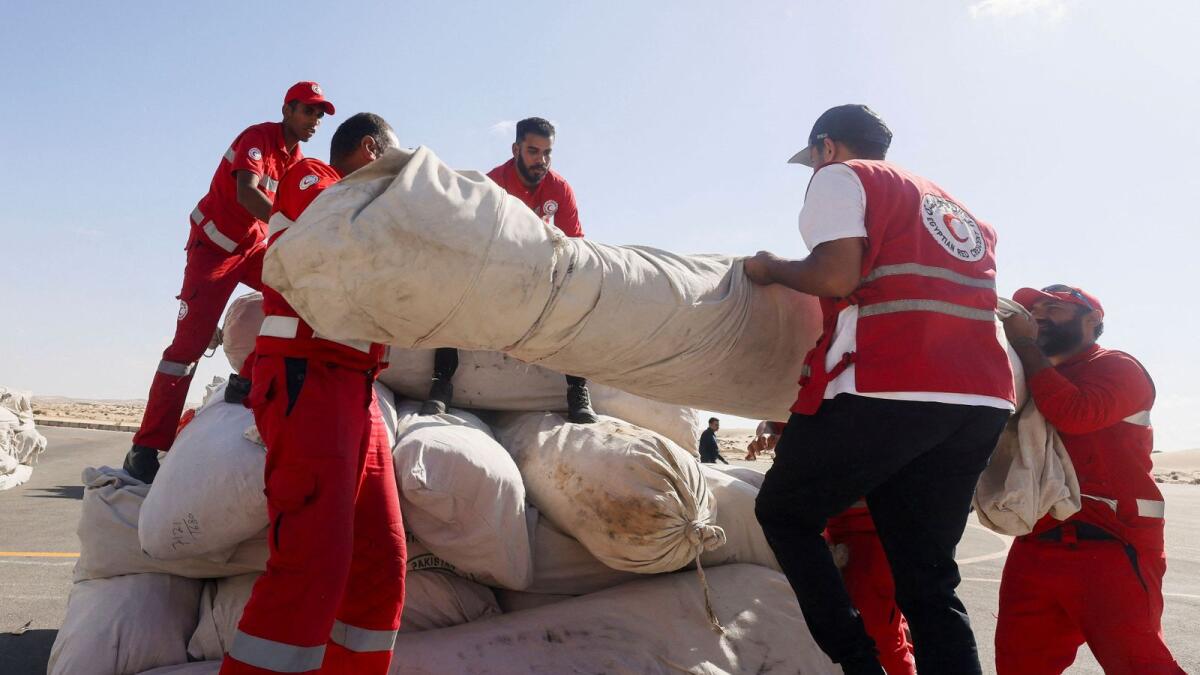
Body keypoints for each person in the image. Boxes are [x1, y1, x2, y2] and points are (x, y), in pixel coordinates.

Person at [746, 104, 1014, 675]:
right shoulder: (953, 205)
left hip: (892, 382)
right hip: (982, 398)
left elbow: (835, 275)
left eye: (813, 159)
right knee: (928, 577)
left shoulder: (843, 176)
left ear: (826, 147)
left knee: (785, 513)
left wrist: (770, 268)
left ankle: (859, 664)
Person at [220, 113, 406, 675]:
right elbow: (343, 226)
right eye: (391, 163)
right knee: (313, 563)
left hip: (357, 389)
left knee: (383, 557)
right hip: (309, 379)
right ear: (371, 149)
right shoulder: (313, 177)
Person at [124, 82, 333, 483]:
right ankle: (145, 447)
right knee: (185, 350)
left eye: (320, 115)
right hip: (214, 252)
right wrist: (294, 226)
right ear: (287, 110)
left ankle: (246, 379)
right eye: (308, 111)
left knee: (293, 294)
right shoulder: (257, 138)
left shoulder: (298, 159)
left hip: (252, 249)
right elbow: (247, 193)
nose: (315, 121)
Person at [995, 285, 1183, 674]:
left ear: (1092, 320)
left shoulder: (1118, 366)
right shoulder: (1027, 373)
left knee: (1139, 665)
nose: (1040, 315)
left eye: (1055, 307)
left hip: (1111, 543)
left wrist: (1026, 347)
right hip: (1035, 542)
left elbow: (1077, 414)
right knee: (1019, 667)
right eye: (1034, 309)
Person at [422, 117, 597, 423]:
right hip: (496, 269)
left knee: (581, 291)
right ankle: (441, 384)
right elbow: (472, 240)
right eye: (533, 151)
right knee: (452, 285)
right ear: (516, 148)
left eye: (547, 153)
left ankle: (578, 390)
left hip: (541, 274)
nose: (541, 160)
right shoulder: (492, 184)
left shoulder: (560, 188)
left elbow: (575, 246)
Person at [750, 422, 917, 675]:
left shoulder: (860, 402)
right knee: (887, 626)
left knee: (881, 635)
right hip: (844, 528)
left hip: (872, 532)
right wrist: (769, 429)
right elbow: (783, 413)